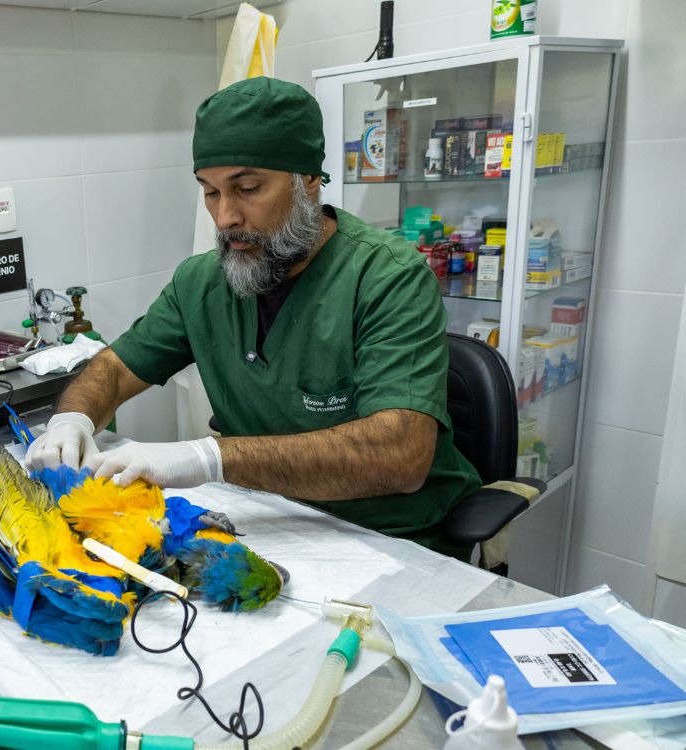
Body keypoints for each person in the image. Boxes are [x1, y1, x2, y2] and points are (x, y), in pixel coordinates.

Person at [25, 77, 482, 560]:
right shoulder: (202, 282)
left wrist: (208, 458)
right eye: (210, 192)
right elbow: (116, 368)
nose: (225, 217)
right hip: (268, 521)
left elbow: (400, 455)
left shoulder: (387, 277)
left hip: (390, 540)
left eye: (246, 188)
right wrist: (73, 419)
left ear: (308, 180)